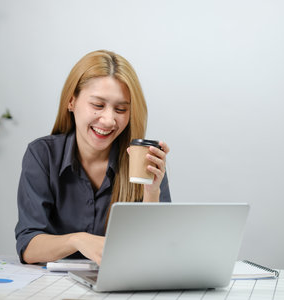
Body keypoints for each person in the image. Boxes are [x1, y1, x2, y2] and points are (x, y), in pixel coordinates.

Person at [15, 50, 171, 265]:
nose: (108, 120)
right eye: (98, 105)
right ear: (72, 102)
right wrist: (78, 241)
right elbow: (28, 246)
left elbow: (158, 251)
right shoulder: (43, 156)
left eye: (121, 109)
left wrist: (152, 192)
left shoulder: (142, 161)